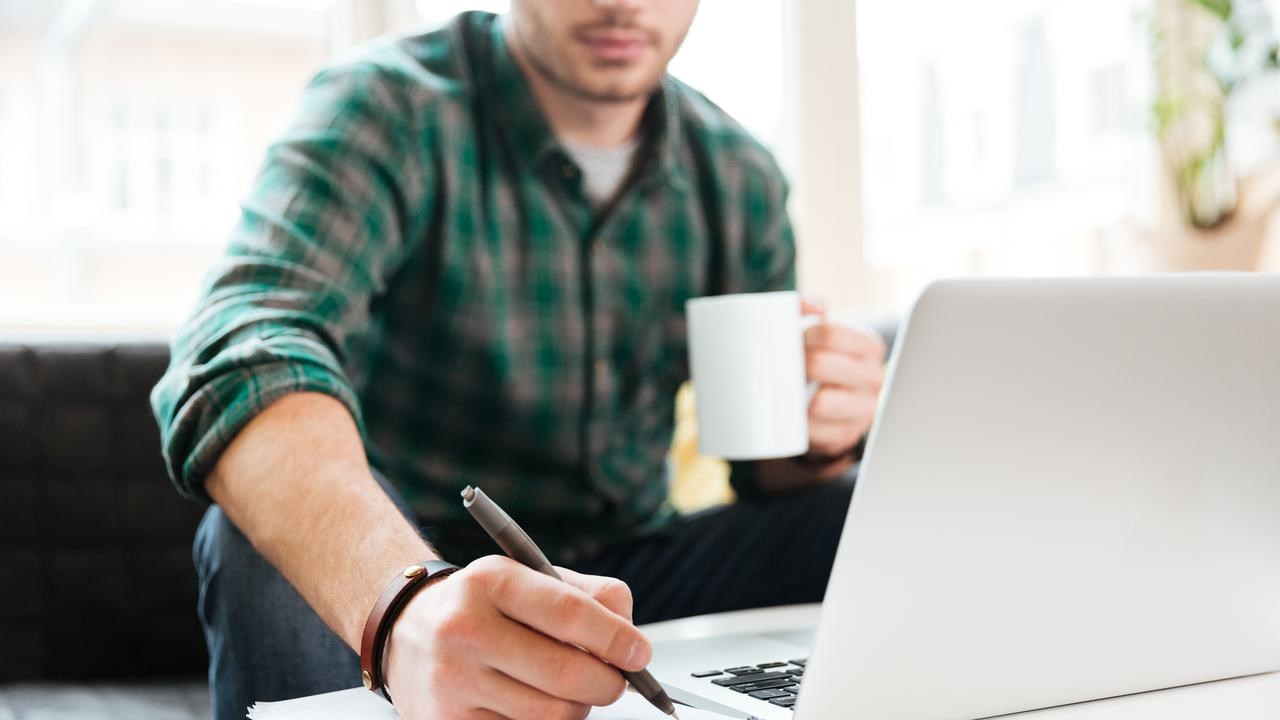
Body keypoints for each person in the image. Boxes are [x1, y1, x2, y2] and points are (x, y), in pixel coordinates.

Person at [151, 1, 886, 719]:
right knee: (254, 538)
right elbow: (243, 344)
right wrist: (403, 599)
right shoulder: (388, 107)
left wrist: (819, 432)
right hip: (417, 565)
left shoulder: (737, 173)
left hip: (632, 576)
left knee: (860, 512)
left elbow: (764, 473)